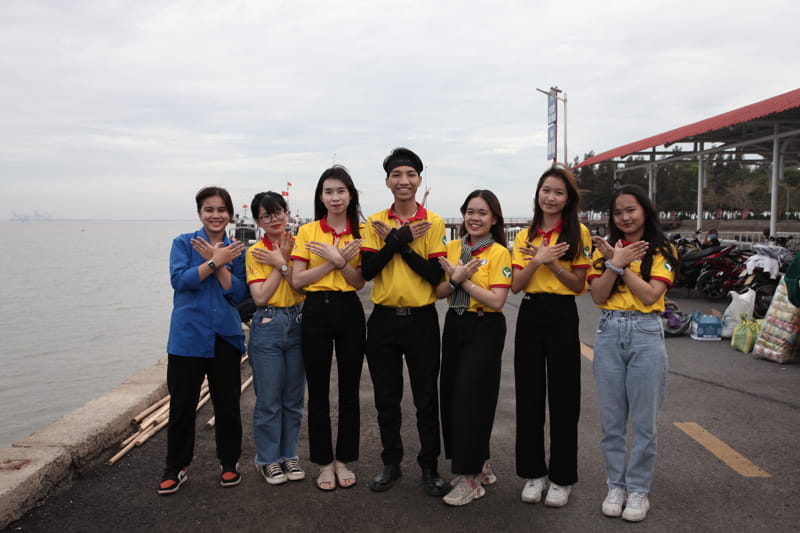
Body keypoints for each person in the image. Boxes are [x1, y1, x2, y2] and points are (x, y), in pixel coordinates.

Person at [360, 147, 449, 497]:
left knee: (426, 398)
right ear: (387, 182)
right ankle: (391, 462)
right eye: (397, 174)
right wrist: (396, 238)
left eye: (410, 174)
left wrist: (402, 243)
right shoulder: (374, 222)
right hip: (383, 319)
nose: (404, 180)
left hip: (421, 319)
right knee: (387, 398)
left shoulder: (433, 222)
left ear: (419, 180)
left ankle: (429, 466)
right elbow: (368, 270)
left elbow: (434, 274)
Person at [588, 184, 678, 522]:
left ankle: (638, 490)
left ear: (645, 211)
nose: (625, 217)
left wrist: (620, 265)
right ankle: (616, 485)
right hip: (609, 330)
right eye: (618, 212)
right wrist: (613, 261)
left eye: (631, 210)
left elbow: (651, 295)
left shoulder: (663, 248)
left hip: (645, 331)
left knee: (644, 423)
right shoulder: (604, 250)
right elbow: (598, 296)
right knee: (611, 421)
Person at [511, 167, 592, 507]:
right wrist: (538, 259)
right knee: (529, 396)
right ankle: (533, 473)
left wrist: (553, 264)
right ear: (538, 194)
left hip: (562, 314)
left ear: (568, 199)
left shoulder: (578, 233)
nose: (551, 197)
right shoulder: (524, 236)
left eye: (559, 192)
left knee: (564, 398)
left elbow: (579, 285)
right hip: (530, 312)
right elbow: (516, 285)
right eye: (546, 190)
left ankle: (562, 477)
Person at [159, 186, 247, 495]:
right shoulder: (183, 243)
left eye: (222, 209)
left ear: (230, 214)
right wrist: (212, 262)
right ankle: (176, 467)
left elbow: (239, 293)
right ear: (200, 213)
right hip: (187, 337)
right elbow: (179, 281)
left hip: (225, 336)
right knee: (182, 405)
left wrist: (220, 260)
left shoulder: (237, 250)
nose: (215, 215)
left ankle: (229, 463)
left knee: (227, 405)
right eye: (209, 209)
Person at [290, 166, 366, 491]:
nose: (335, 197)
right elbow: (298, 280)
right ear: (320, 197)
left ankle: (344, 459)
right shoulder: (308, 232)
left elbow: (359, 282)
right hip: (316, 310)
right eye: (328, 191)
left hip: (349, 309)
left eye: (340, 191)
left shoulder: (361, 233)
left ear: (350, 195)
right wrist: (331, 262)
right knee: (318, 390)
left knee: (349, 389)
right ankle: (323, 462)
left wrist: (343, 262)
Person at [435, 189, 511, 506]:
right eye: (470, 211)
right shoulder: (453, 247)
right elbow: (439, 291)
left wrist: (463, 280)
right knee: (452, 395)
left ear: (494, 219)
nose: (474, 218)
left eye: (482, 213)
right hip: (456, 322)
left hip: (484, 326)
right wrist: (454, 280)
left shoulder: (499, 253)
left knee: (471, 398)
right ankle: (479, 462)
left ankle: (470, 478)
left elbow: (496, 300)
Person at [246, 191, 306, 485]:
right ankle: (268, 459)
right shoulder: (255, 252)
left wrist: (281, 262)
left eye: (279, 212)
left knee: (293, 398)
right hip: (268, 321)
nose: (274, 219)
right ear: (258, 222)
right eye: (266, 215)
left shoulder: (300, 245)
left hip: (298, 320)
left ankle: (288, 454)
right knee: (269, 398)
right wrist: (279, 262)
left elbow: (303, 288)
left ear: (287, 213)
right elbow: (259, 296)